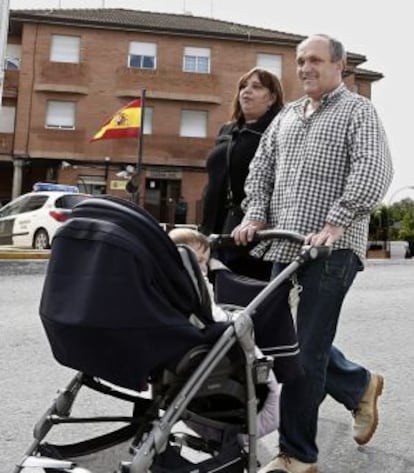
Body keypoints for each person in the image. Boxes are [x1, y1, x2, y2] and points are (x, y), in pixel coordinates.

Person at [233, 34, 393, 473]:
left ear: (338, 66)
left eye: (315, 60)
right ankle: (360, 385)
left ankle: (298, 456)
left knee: (303, 353)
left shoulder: (358, 111)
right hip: (285, 246)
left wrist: (336, 221)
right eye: (300, 61)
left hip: (333, 249)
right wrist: (254, 216)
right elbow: (260, 172)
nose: (305, 68)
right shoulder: (284, 118)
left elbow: (374, 169)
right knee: (286, 344)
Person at [168, 226, 281, 439]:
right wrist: (235, 319)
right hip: (206, 345)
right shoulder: (193, 287)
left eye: (205, 261)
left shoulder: (165, 284)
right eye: (197, 261)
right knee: (242, 327)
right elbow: (211, 316)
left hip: (178, 343)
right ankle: (246, 434)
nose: (203, 269)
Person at [200, 67, 284, 281]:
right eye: (243, 87)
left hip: (250, 231)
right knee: (222, 294)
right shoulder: (227, 131)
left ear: (272, 97)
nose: (246, 92)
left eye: (256, 87)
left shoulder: (277, 132)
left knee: (249, 296)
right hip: (215, 226)